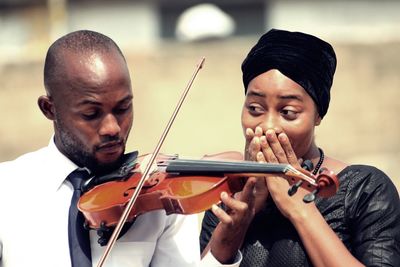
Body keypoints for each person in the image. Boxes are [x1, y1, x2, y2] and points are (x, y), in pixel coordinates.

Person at [0, 30, 245, 267]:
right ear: (49, 109)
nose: (112, 128)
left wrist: (222, 250)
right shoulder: (7, 190)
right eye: (91, 114)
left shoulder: (162, 201)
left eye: (122, 108)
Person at [200, 29, 400, 266]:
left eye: (288, 112)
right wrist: (236, 226)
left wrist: (300, 209)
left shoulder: (364, 189)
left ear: (317, 115)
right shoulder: (228, 192)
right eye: (254, 108)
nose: (268, 126)